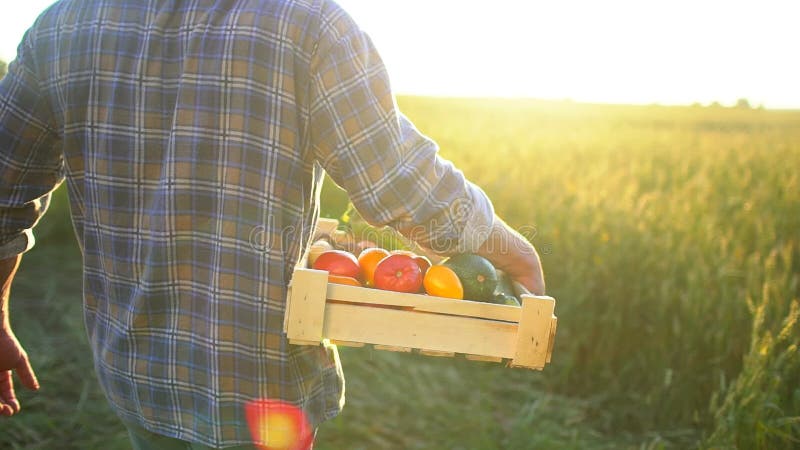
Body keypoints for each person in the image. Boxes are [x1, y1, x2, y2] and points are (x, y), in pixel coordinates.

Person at [0, 0, 545, 448]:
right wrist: (511, 249)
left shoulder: (62, 27)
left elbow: (4, 189)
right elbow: (400, 184)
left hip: (137, 376)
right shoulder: (305, 23)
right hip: (263, 396)